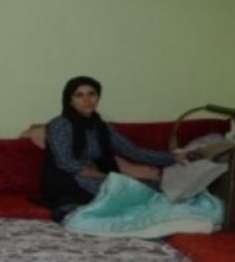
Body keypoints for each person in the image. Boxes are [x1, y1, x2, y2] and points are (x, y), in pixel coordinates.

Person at [41, 75, 187, 222]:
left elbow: (132, 151)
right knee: (127, 195)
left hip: (97, 177)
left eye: (92, 94)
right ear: (70, 100)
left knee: (153, 189)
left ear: (98, 97)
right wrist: (107, 178)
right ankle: (74, 210)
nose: (87, 100)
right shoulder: (60, 125)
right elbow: (66, 163)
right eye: (79, 95)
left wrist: (171, 158)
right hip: (66, 180)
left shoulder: (101, 127)